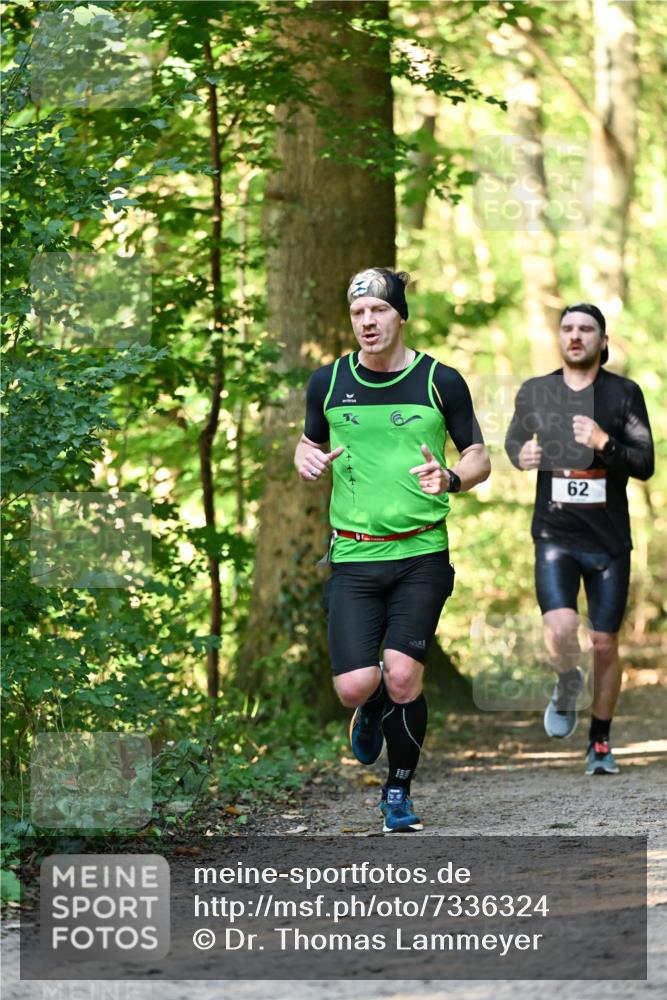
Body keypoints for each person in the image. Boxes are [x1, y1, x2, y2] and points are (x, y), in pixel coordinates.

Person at [294, 267, 490, 832]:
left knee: (404, 675)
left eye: (378, 311)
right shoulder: (327, 383)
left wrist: (451, 477)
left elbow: (479, 455)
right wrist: (304, 459)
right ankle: (371, 705)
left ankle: (397, 793)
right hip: (354, 556)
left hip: (421, 553)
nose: (368, 322)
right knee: (357, 684)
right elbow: (308, 444)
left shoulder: (440, 381)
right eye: (358, 314)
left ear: (399, 315)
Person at [505, 303, 654, 775]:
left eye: (586, 329)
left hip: (609, 540)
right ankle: (569, 681)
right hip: (555, 533)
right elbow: (513, 443)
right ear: (560, 338)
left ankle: (601, 742)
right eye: (567, 328)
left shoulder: (624, 394)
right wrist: (521, 454)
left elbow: (644, 465)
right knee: (562, 627)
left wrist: (602, 441)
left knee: (606, 644)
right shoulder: (537, 391)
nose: (575, 336)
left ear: (602, 341)